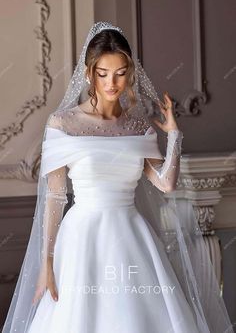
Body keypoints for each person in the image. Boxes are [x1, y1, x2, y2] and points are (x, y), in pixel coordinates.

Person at [2, 22, 233, 333]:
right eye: (103, 73)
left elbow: (166, 183)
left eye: (120, 72)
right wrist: (47, 262)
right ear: (89, 73)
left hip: (131, 235)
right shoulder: (63, 124)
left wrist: (175, 136)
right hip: (82, 238)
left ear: (130, 73)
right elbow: (56, 198)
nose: (112, 82)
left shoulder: (139, 128)